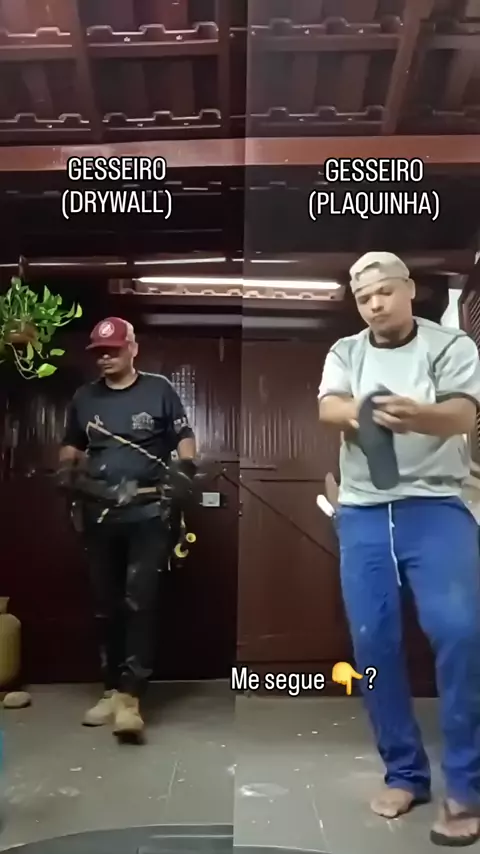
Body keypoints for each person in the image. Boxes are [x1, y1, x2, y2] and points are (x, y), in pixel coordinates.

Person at [318, 252, 480, 847]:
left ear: (410, 290)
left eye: (384, 291)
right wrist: (362, 414)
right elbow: (328, 406)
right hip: (363, 512)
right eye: (364, 297)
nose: (375, 304)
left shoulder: (449, 345)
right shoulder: (346, 351)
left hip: (435, 506)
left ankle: (467, 786)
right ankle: (405, 773)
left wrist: (418, 416)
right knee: (373, 646)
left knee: (461, 633)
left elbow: (463, 415)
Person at [59, 317, 196, 741]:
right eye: (99, 352)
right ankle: (111, 690)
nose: (105, 358)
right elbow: (72, 444)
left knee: (140, 600)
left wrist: (186, 468)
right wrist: (67, 471)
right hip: (100, 514)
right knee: (105, 604)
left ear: (133, 348)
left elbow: (184, 437)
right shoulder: (85, 397)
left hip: (149, 514)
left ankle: (131, 697)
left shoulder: (159, 390)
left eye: (113, 350)